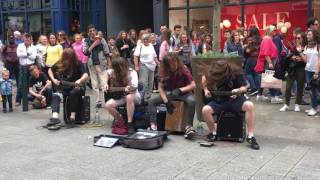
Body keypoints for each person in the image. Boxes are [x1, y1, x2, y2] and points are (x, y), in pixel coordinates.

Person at [201, 61, 260, 150]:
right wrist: (205, 90)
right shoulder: (212, 71)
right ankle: (213, 133)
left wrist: (238, 91)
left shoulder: (237, 72)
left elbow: (244, 87)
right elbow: (204, 78)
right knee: (205, 110)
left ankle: (250, 136)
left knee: (250, 106)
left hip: (235, 100)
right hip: (219, 101)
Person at [147, 53, 196, 138]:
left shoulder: (183, 69)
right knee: (151, 101)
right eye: (171, 64)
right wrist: (166, 102)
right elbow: (160, 88)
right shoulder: (163, 71)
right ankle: (153, 126)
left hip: (184, 94)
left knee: (192, 100)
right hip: (170, 93)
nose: (174, 65)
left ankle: (189, 126)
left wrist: (181, 90)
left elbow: (193, 85)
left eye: (175, 62)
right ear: (167, 65)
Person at [47, 48, 89, 128]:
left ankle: (72, 117)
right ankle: (55, 118)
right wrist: (53, 79)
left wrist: (80, 80)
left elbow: (85, 75)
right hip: (64, 87)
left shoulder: (78, 63)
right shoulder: (60, 62)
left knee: (73, 93)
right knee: (56, 95)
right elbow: (50, 70)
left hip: (77, 87)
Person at [105, 57, 141, 134]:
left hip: (134, 96)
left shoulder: (132, 73)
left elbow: (134, 87)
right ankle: (120, 120)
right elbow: (107, 72)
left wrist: (129, 88)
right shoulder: (113, 72)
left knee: (129, 97)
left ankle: (129, 123)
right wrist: (105, 83)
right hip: (122, 97)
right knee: (108, 105)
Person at [254, 25, 283, 104]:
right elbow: (266, 53)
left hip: (270, 61)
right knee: (271, 79)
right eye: (274, 30)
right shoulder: (267, 39)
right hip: (270, 61)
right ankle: (274, 97)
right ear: (270, 31)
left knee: (268, 79)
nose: (275, 32)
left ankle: (260, 95)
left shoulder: (268, 39)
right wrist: (270, 63)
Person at [83, 24, 110, 107]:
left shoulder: (102, 40)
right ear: (88, 33)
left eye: (93, 30)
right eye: (90, 31)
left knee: (104, 83)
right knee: (94, 84)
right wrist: (94, 43)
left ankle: (107, 100)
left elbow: (107, 52)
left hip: (102, 64)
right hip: (92, 64)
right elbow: (85, 52)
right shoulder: (86, 41)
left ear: (96, 31)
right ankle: (98, 101)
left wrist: (109, 64)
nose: (92, 32)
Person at [279, 32, 307, 112]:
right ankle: (286, 104)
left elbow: (307, 59)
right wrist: (293, 57)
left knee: (300, 87)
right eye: (296, 38)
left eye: (299, 38)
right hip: (292, 68)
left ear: (303, 39)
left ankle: (297, 104)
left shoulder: (306, 47)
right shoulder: (293, 47)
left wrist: (301, 58)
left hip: (301, 68)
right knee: (288, 87)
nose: (297, 40)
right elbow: (289, 55)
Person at [133, 33, 159, 101]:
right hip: (144, 65)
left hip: (152, 66)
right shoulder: (140, 46)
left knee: (151, 82)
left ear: (149, 39)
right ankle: (142, 98)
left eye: (147, 39)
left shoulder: (151, 45)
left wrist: (159, 64)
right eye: (144, 39)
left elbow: (155, 56)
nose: (145, 40)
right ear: (142, 40)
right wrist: (136, 66)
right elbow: (135, 56)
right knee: (143, 82)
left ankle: (148, 97)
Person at [300, 29, 320, 116]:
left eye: (309, 35)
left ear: (314, 35)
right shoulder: (306, 47)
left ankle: (315, 107)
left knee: (317, 91)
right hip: (308, 70)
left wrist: (317, 71)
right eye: (307, 35)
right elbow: (306, 60)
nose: (307, 36)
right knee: (312, 91)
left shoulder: (318, 46)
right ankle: (314, 107)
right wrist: (300, 52)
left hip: (316, 71)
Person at [16, 33, 37, 108]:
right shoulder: (20, 45)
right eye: (25, 40)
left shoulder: (34, 47)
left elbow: (33, 57)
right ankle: (18, 100)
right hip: (22, 66)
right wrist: (28, 54)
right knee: (21, 84)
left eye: (28, 40)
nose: (27, 42)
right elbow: (18, 54)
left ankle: (28, 99)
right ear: (23, 39)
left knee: (30, 83)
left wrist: (24, 54)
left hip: (31, 66)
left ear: (30, 40)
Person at [244, 27, 261, 96]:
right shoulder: (260, 39)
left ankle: (253, 88)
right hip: (257, 58)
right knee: (255, 74)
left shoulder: (251, 39)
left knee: (247, 73)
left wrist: (245, 47)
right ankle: (258, 89)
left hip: (251, 58)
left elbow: (248, 50)